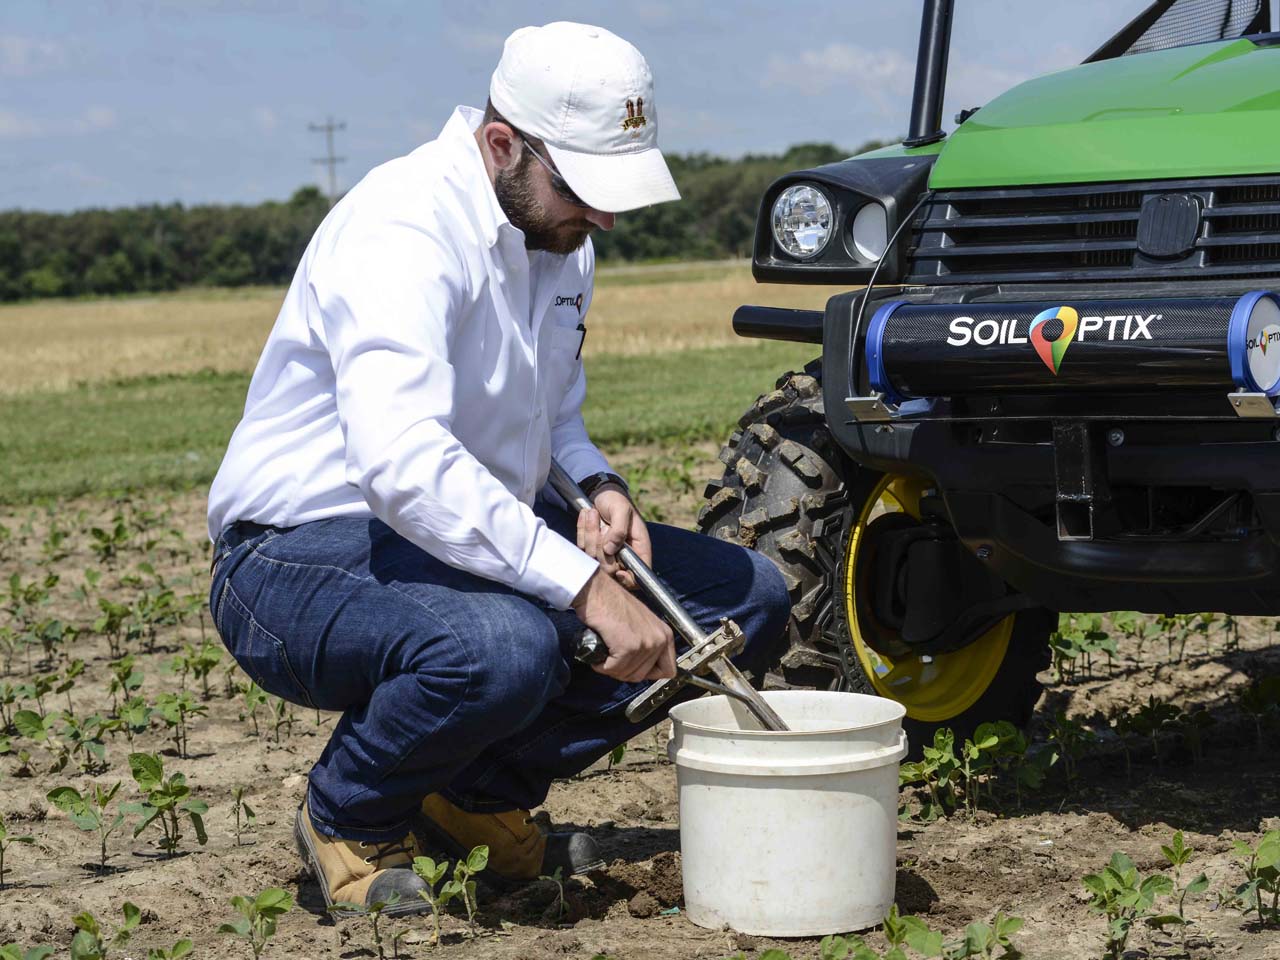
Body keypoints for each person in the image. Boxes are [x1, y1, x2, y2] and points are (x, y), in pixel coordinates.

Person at [206, 21, 790, 918]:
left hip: (462, 530)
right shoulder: (400, 228)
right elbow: (402, 462)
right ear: (501, 144)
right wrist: (582, 588)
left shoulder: (557, 236)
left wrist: (597, 486)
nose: (600, 217)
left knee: (745, 598)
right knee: (501, 647)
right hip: (298, 551)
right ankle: (351, 817)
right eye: (583, 189)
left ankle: (469, 797)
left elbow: (549, 414)